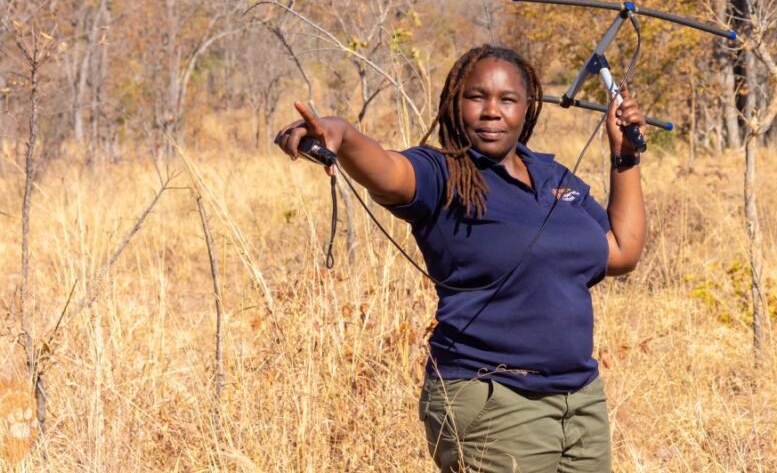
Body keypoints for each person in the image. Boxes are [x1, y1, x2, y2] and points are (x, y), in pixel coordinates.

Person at [275, 44, 647, 473]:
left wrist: (626, 156)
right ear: (456, 103)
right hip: (494, 401)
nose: (492, 111)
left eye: (507, 99)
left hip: (579, 400)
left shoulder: (553, 177)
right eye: (477, 97)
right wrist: (343, 134)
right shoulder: (442, 175)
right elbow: (388, 171)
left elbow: (622, 251)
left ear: (527, 108)